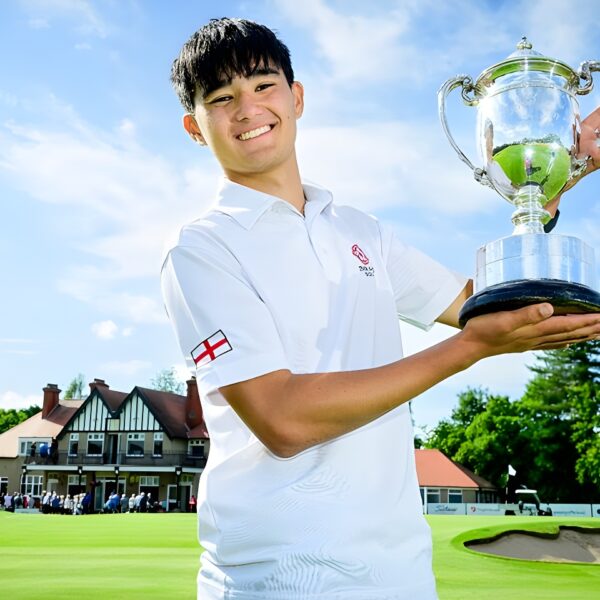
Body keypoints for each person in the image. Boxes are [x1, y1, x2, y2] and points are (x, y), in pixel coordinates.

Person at [162, 18, 600, 600]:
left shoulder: (359, 229)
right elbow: (283, 420)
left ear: (296, 98)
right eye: (221, 98)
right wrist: (470, 348)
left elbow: (485, 304)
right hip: (277, 580)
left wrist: (544, 187)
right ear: (196, 127)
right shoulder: (200, 249)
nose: (247, 108)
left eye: (263, 85)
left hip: (402, 575)